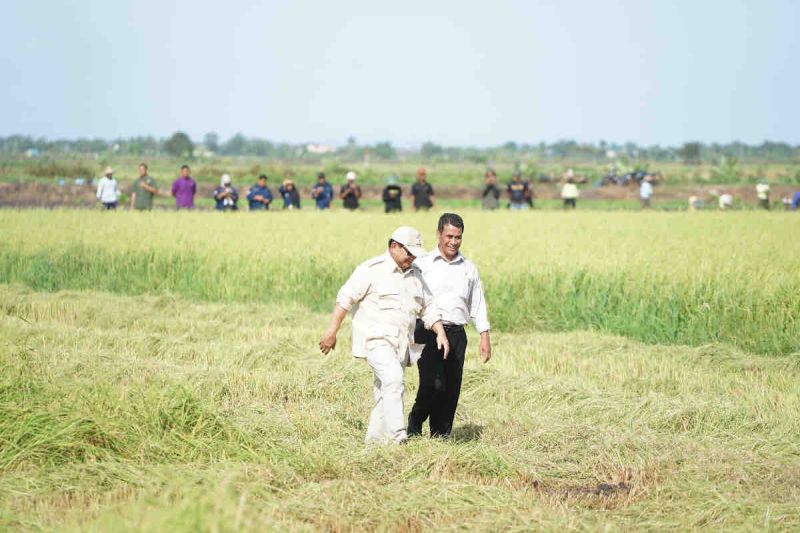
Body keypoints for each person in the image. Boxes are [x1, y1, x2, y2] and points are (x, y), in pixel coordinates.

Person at [319, 226, 450, 445]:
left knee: (384, 392)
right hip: (375, 341)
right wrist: (331, 331)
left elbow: (428, 308)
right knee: (394, 380)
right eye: (409, 252)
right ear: (394, 247)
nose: (412, 257)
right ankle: (398, 436)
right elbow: (345, 299)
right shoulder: (371, 269)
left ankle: (374, 444)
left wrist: (441, 333)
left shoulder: (416, 274)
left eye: (415, 253)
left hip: (402, 345)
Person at [408, 213, 491, 439]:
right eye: (449, 236)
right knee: (433, 385)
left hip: (456, 334)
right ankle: (414, 425)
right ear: (438, 235)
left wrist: (484, 336)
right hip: (427, 332)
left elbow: (478, 303)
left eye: (458, 237)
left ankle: (440, 436)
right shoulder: (422, 264)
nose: (453, 241)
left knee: (451, 388)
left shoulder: (468, 268)